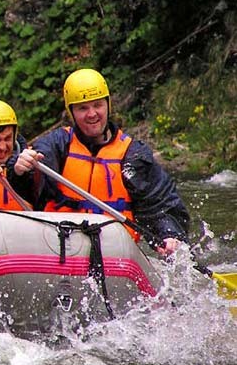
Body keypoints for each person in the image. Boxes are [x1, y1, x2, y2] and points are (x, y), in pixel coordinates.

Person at [13, 68, 190, 256]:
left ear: (108, 105)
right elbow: (29, 188)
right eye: (83, 108)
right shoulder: (56, 146)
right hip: (62, 249)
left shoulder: (133, 155)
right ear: (71, 112)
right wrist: (21, 170)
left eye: (98, 105)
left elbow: (160, 205)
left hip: (115, 253)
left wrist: (169, 234)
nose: (92, 114)